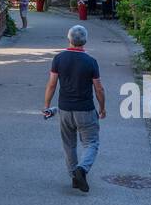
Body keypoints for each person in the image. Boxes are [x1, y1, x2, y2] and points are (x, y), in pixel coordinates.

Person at [42, 24, 106, 192]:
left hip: (64, 109)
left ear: (69, 38)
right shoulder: (91, 62)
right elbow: (98, 88)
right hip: (85, 109)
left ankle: (74, 177)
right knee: (91, 143)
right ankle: (81, 170)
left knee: (69, 144)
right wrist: (102, 107)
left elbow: (52, 84)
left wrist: (47, 106)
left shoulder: (59, 59)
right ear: (85, 40)